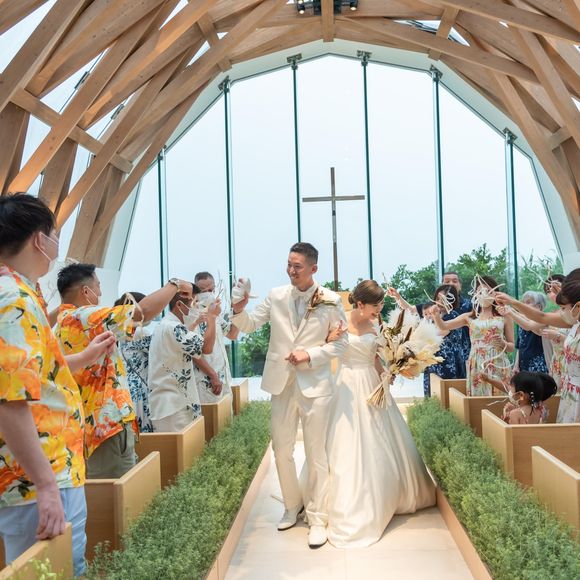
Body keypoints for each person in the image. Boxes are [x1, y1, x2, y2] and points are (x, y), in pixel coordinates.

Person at [0, 193, 115, 575]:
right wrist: (47, 485)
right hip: (38, 474)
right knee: (57, 569)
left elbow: (36, 373)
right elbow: (9, 401)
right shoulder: (13, 300)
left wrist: (84, 357)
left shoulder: (21, 293)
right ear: (39, 240)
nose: (56, 245)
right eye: (54, 235)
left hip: (43, 469)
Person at [231, 242, 348, 549]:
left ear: (313, 268)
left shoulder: (331, 300)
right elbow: (249, 324)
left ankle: (318, 518)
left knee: (316, 452)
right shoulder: (276, 295)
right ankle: (291, 505)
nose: (291, 271)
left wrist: (309, 354)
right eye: (289, 264)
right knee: (281, 448)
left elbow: (341, 345)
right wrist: (238, 309)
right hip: (281, 383)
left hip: (316, 386)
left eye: (297, 266)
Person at [324, 280, 435, 547]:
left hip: (372, 383)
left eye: (382, 304)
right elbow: (326, 348)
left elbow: (375, 357)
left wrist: (386, 373)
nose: (380, 309)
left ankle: (389, 491)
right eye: (376, 305)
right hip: (346, 384)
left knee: (381, 435)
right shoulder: (339, 320)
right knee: (346, 439)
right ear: (360, 304)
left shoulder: (376, 324)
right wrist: (330, 339)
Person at [54, 263, 192, 478]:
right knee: (121, 488)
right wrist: (174, 285)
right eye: (98, 286)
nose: (101, 293)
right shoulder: (86, 316)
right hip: (107, 423)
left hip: (86, 423)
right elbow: (141, 313)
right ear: (86, 291)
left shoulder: (61, 324)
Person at [148, 284, 221, 432]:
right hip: (173, 407)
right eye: (194, 303)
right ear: (180, 305)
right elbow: (206, 348)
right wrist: (212, 318)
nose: (197, 308)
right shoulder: (173, 328)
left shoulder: (167, 325)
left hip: (173, 404)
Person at [431, 276, 514, 396]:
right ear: (475, 294)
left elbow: (511, 347)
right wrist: (436, 316)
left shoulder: (504, 316)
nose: (484, 294)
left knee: (499, 397)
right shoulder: (469, 317)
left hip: (498, 362)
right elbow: (444, 326)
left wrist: (503, 343)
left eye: (488, 291)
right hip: (476, 362)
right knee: (477, 399)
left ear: (495, 293)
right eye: (480, 291)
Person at [387, 270, 472, 370]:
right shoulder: (432, 309)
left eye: (454, 281)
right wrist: (398, 297)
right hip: (432, 361)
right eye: (438, 299)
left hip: (451, 362)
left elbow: (439, 332)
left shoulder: (457, 312)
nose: (451, 284)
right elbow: (411, 310)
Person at [193, 272, 240, 403]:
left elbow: (232, 334)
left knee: (226, 414)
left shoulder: (215, 313)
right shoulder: (193, 316)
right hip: (206, 379)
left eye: (211, 290)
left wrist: (237, 310)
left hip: (223, 376)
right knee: (210, 413)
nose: (208, 293)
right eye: (203, 291)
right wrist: (212, 375)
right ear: (195, 292)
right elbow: (193, 352)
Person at [115, 292, 153, 433]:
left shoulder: (121, 331)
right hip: (141, 389)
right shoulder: (141, 333)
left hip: (127, 388)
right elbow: (162, 350)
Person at [420, 284, 465, 396]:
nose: (439, 302)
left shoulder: (452, 315)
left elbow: (439, 333)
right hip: (434, 360)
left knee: (447, 395)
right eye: (438, 298)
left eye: (444, 299)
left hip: (448, 361)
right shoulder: (437, 316)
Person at [482, 371, 557, 425]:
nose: (510, 392)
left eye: (512, 388)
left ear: (521, 395)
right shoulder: (541, 410)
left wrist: (504, 423)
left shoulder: (515, 414)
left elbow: (512, 436)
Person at [511, 291, 549, 373]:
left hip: (539, 367)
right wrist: (516, 365)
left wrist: (512, 312)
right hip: (523, 366)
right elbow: (519, 346)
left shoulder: (544, 321)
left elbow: (529, 326)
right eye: (523, 302)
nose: (524, 305)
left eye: (528, 302)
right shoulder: (522, 322)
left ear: (539, 306)